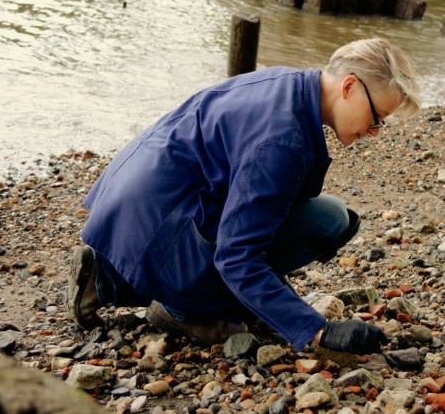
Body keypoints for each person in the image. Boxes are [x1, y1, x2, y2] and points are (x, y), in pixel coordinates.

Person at [67, 37, 421, 355]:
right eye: (378, 117)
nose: (374, 132)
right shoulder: (282, 141)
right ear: (349, 86)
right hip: (155, 224)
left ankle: (140, 277)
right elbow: (238, 257)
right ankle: (149, 296)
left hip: (134, 202)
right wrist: (317, 330)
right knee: (327, 223)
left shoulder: (289, 84)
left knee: (329, 215)